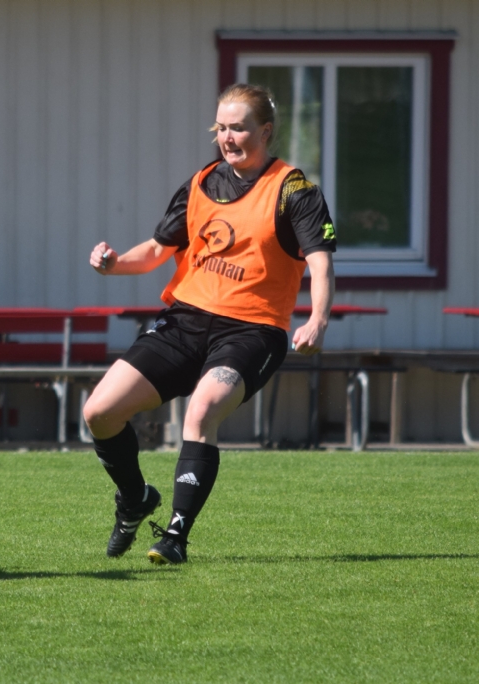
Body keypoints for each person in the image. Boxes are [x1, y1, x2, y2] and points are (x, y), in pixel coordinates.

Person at [83, 83, 336, 565]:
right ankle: (135, 499)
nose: (226, 137)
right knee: (99, 412)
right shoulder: (201, 182)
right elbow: (157, 250)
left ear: (265, 131)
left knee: (202, 412)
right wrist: (114, 264)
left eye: (238, 127)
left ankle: (175, 537)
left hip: (252, 330)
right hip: (185, 321)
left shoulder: (294, 191)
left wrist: (317, 319)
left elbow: (320, 262)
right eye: (220, 127)